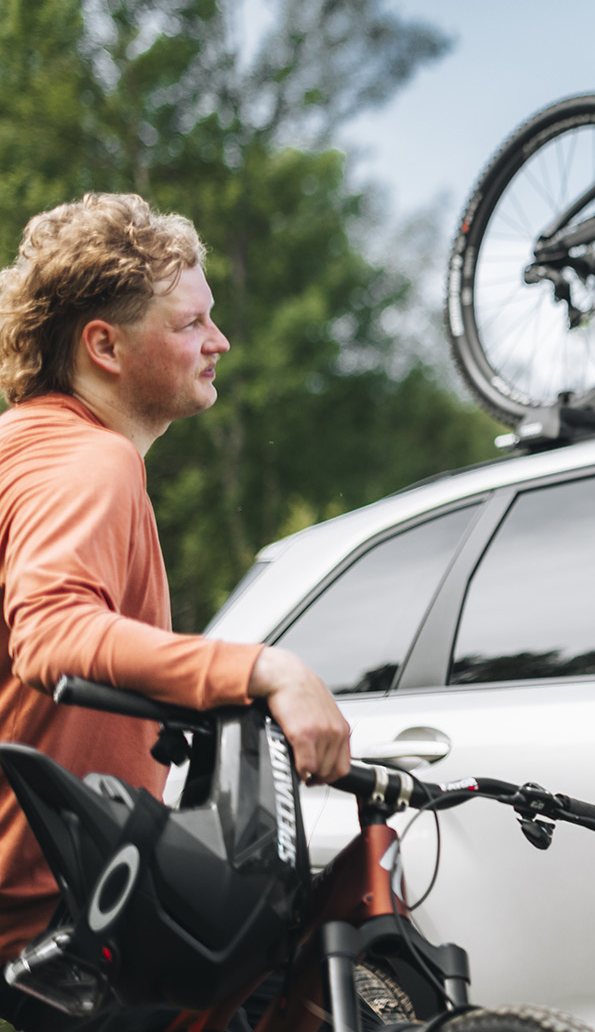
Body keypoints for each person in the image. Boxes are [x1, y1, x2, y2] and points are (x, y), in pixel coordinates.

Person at [0, 194, 351, 1002]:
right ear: (105, 345)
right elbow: (50, 632)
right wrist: (263, 668)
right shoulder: (92, 460)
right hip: (63, 907)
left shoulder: (27, 446)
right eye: (191, 323)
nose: (218, 341)